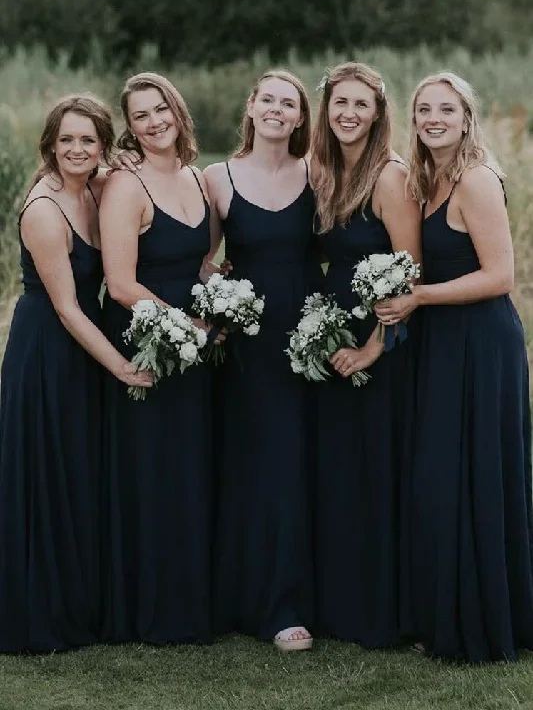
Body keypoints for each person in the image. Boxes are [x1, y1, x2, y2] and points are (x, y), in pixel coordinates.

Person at [375, 72, 533, 662]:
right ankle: (446, 614)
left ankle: (484, 622)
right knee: (442, 476)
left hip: (481, 344)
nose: (433, 118)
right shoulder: (429, 179)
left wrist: (418, 298)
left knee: (476, 474)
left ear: (467, 118)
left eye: (446, 109)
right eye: (423, 109)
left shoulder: (476, 180)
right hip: (442, 342)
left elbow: (501, 277)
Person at [0, 95, 152, 652]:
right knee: (50, 472)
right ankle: (44, 611)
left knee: (81, 471)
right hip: (48, 348)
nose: (77, 149)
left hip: (82, 345)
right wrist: (120, 366)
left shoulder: (95, 186)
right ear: (50, 144)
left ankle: (85, 599)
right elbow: (66, 307)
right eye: (66, 140)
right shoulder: (44, 211)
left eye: (88, 139)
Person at [100, 72, 221, 644]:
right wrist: (186, 325)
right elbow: (121, 283)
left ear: (178, 111)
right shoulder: (127, 187)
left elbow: (197, 262)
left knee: (191, 468)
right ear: (129, 128)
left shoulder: (197, 178)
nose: (153, 122)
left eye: (160, 109)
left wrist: (222, 300)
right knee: (153, 469)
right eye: (140, 116)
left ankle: (195, 600)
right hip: (149, 341)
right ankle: (155, 609)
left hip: (195, 347)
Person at [203, 70, 321, 650]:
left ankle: (315, 594)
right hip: (250, 341)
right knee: (262, 465)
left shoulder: (317, 173)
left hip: (311, 336)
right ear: (250, 107)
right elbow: (196, 258)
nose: (277, 109)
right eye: (267, 99)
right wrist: (218, 299)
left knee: (308, 462)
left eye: (289, 103)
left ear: (301, 118)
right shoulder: (216, 179)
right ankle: (272, 605)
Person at [311, 62, 421, 647]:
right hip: (332, 332)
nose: (348, 114)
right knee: (342, 470)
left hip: (381, 336)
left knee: (378, 466)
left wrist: (374, 348)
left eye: (360, 104)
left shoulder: (389, 176)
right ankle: (341, 603)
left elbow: (409, 273)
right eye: (338, 104)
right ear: (325, 109)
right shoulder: (324, 169)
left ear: (379, 113)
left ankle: (384, 609)